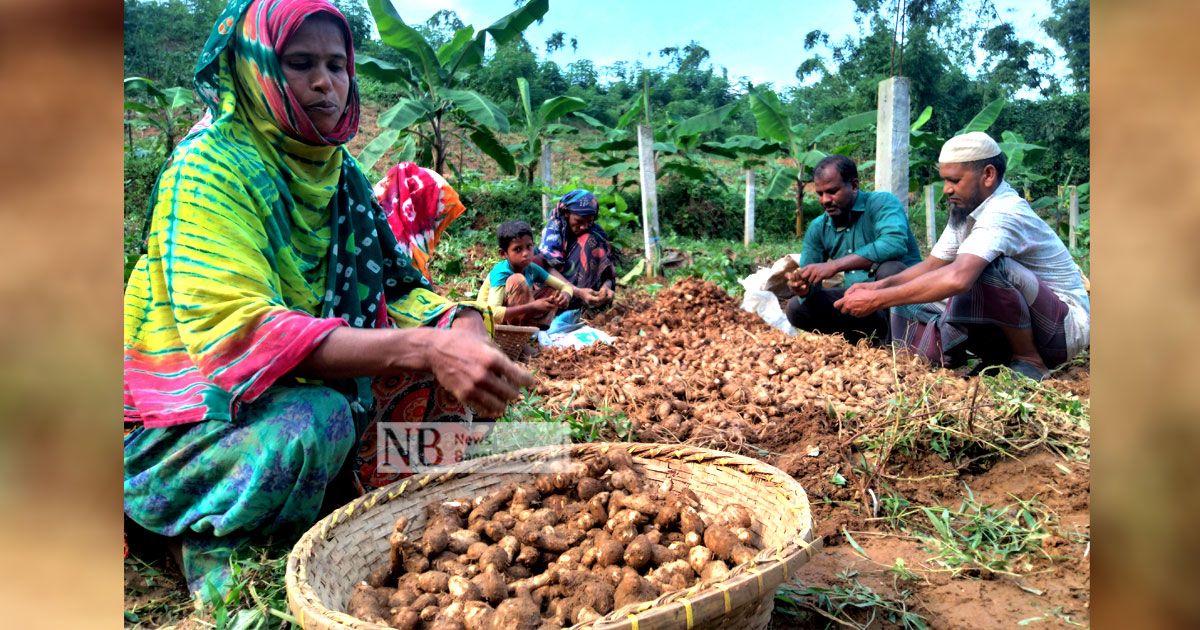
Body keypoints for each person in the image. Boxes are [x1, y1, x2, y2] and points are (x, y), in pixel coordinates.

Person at [122, 0, 532, 600]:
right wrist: (423, 346)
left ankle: (357, 514)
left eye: (337, 65)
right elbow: (238, 333)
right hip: (192, 417)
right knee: (315, 422)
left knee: (438, 389)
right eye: (299, 62)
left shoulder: (339, 175)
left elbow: (398, 287)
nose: (325, 82)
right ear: (255, 69)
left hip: (303, 386)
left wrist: (464, 326)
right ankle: (211, 539)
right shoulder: (209, 168)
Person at [833, 132, 1090, 381]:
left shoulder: (1004, 212)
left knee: (985, 268)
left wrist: (877, 299)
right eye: (945, 180)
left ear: (988, 175)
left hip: (1061, 332)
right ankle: (959, 357)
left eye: (954, 180)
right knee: (907, 290)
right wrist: (878, 286)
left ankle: (1030, 360)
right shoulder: (966, 210)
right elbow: (933, 265)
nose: (946, 189)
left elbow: (959, 277)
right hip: (1028, 322)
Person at [784, 155, 923, 343]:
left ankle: (902, 345)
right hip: (864, 307)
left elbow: (893, 244)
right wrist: (803, 288)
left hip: (907, 302)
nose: (825, 200)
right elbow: (811, 282)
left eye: (832, 191)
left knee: (890, 269)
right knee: (796, 308)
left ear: (854, 185)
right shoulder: (819, 227)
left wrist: (834, 266)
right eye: (820, 193)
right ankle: (865, 341)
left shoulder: (881, 203)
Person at [480, 220, 603, 326]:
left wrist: (566, 295)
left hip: (513, 318)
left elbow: (565, 286)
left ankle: (528, 333)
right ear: (503, 254)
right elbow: (493, 313)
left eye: (529, 247)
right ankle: (520, 337)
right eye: (518, 249)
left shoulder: (531, 268)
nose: (525, 253)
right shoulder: (501, 273)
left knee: (553, 292)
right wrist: (532, 306)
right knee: (517, 280)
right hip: (490, 325)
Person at [373, 162, 467, 287]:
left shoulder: (377, 220)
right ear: (418, 206)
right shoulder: (395, 246)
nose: (436, 223)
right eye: (436, 215)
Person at [533, 189, 616, 310]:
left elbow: (609, 273)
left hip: (588, 296)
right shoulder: (554, 231)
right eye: (579, 221)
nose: (584, 226)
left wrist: (606, 287)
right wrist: (578, 292)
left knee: (590, 240)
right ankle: (572, 307)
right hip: (559, 291)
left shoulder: (596, 234)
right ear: (566, 213)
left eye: (589, 221)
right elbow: (546, 268)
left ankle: (590, 307)